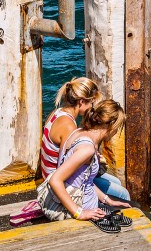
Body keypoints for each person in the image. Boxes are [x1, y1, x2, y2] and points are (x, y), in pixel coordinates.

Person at [41, 77, 131, 207]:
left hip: (52, 173)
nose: (92, 107)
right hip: (58, 181)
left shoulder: (58, 113)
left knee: (115, 181)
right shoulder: (68, 126)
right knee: (122, 193)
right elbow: (65, 166)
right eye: (91, 103)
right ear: (82, 101)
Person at [46, 99, 132, 233]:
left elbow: (84, 180)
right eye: (118, 128)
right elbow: (55, 180)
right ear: (111, 126)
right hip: (84, 207)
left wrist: (107, 200)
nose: (116, 133)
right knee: (135, 210)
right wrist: (79, 213)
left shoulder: (78, 132)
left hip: (87, 201)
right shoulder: (87, 149)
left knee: (127, 205)